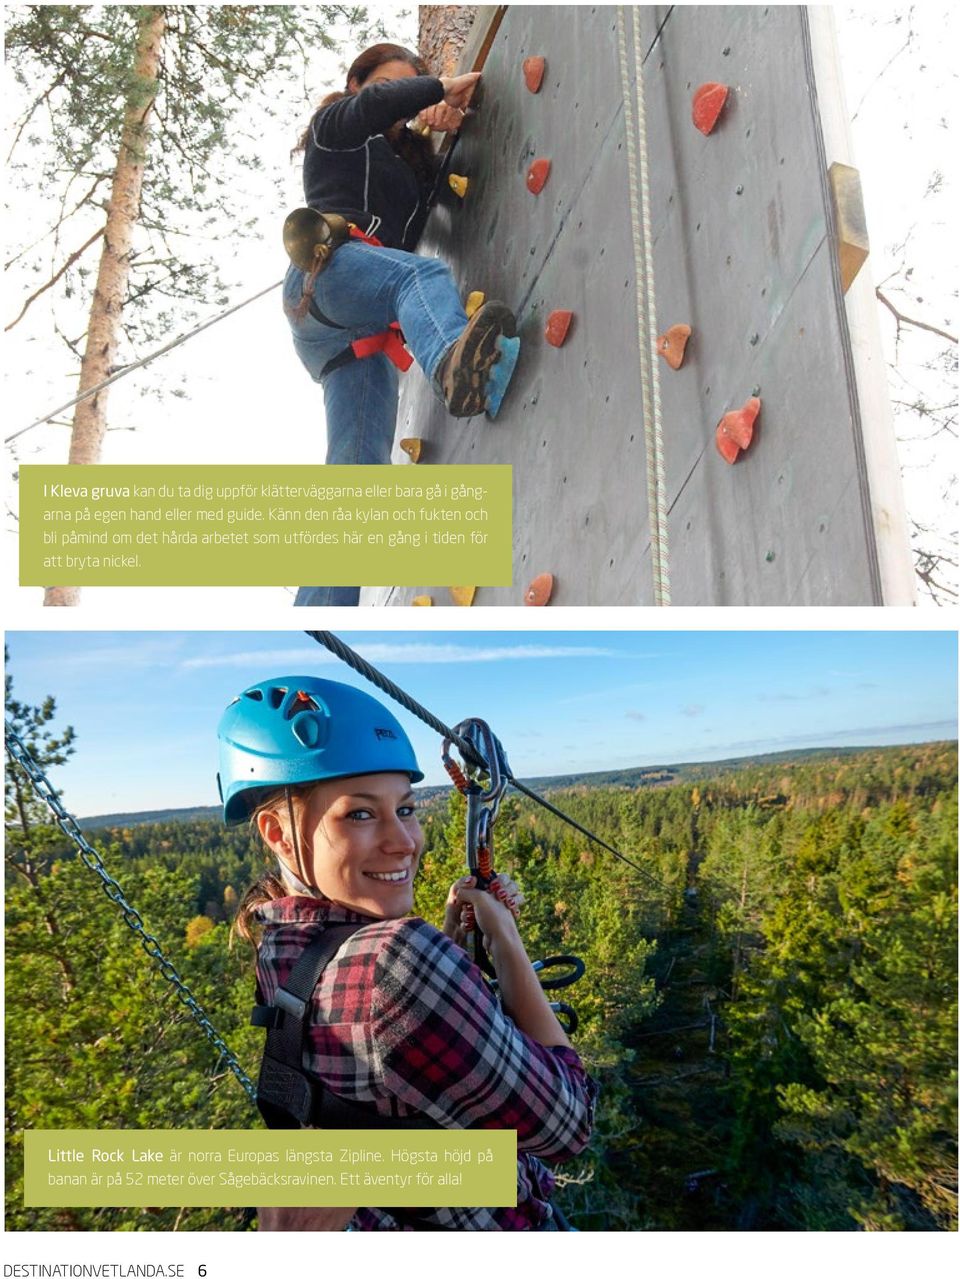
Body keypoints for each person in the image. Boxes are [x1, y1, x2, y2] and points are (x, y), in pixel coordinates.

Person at [218, 675, 596, 1230]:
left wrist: (451, 943)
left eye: (408, 808)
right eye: (361, 814)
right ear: (277, 832)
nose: (404, 841)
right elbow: (569, 1123)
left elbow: (383, 1067)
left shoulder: (279, 942)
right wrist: (507, 946)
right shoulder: (397, 962)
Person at [283, 43, 520, 608]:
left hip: (353, 333)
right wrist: (436, 86)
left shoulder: (406, 162)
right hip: (328, 272)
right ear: (357, 84)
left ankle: (319, 621)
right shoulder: (335, 127)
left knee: (357, 482)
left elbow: (439, 171)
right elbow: (376, 107)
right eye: (387, 84)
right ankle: (451, 365)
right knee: (419, 278)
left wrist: (446, 116)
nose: (396, 97)